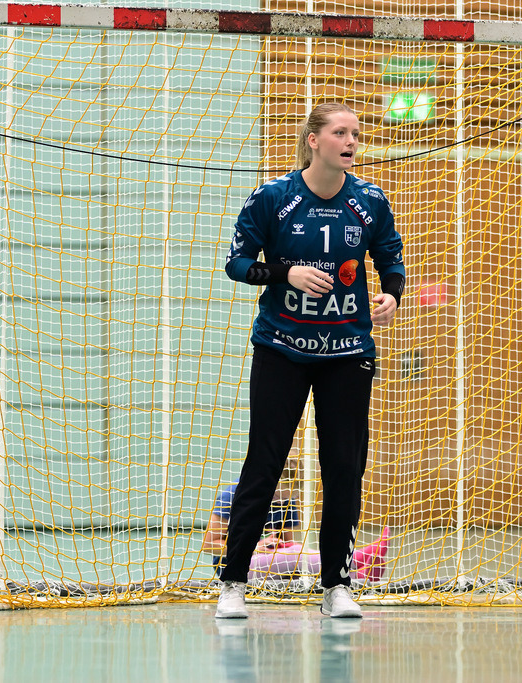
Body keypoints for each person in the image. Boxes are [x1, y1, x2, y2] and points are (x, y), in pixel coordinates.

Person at [216, 101, 405, 619]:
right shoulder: (273, 198)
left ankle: (336, 586)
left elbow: (391, 257)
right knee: (266, 461)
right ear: (314, 140)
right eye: (341, 132)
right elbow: (237, 263)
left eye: (356, 134)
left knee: (344, 466)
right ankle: (232, 583)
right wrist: (285, 273)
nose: (351, 141)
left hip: (348, 352)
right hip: (282, 348)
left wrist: (391, 295)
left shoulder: (369, 200)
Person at [203, 480, 390, 582]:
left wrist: (276, 543)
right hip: (234, 566)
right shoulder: (233, 494)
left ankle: (356, 576)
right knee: (295, 554)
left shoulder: (287, 499)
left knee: (297, 553)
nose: (283, 501)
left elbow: (287, 544)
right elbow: (209, 545)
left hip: (270, 562)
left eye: (290, 497)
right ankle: (357, 558)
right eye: (279, 497)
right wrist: (252, 547)